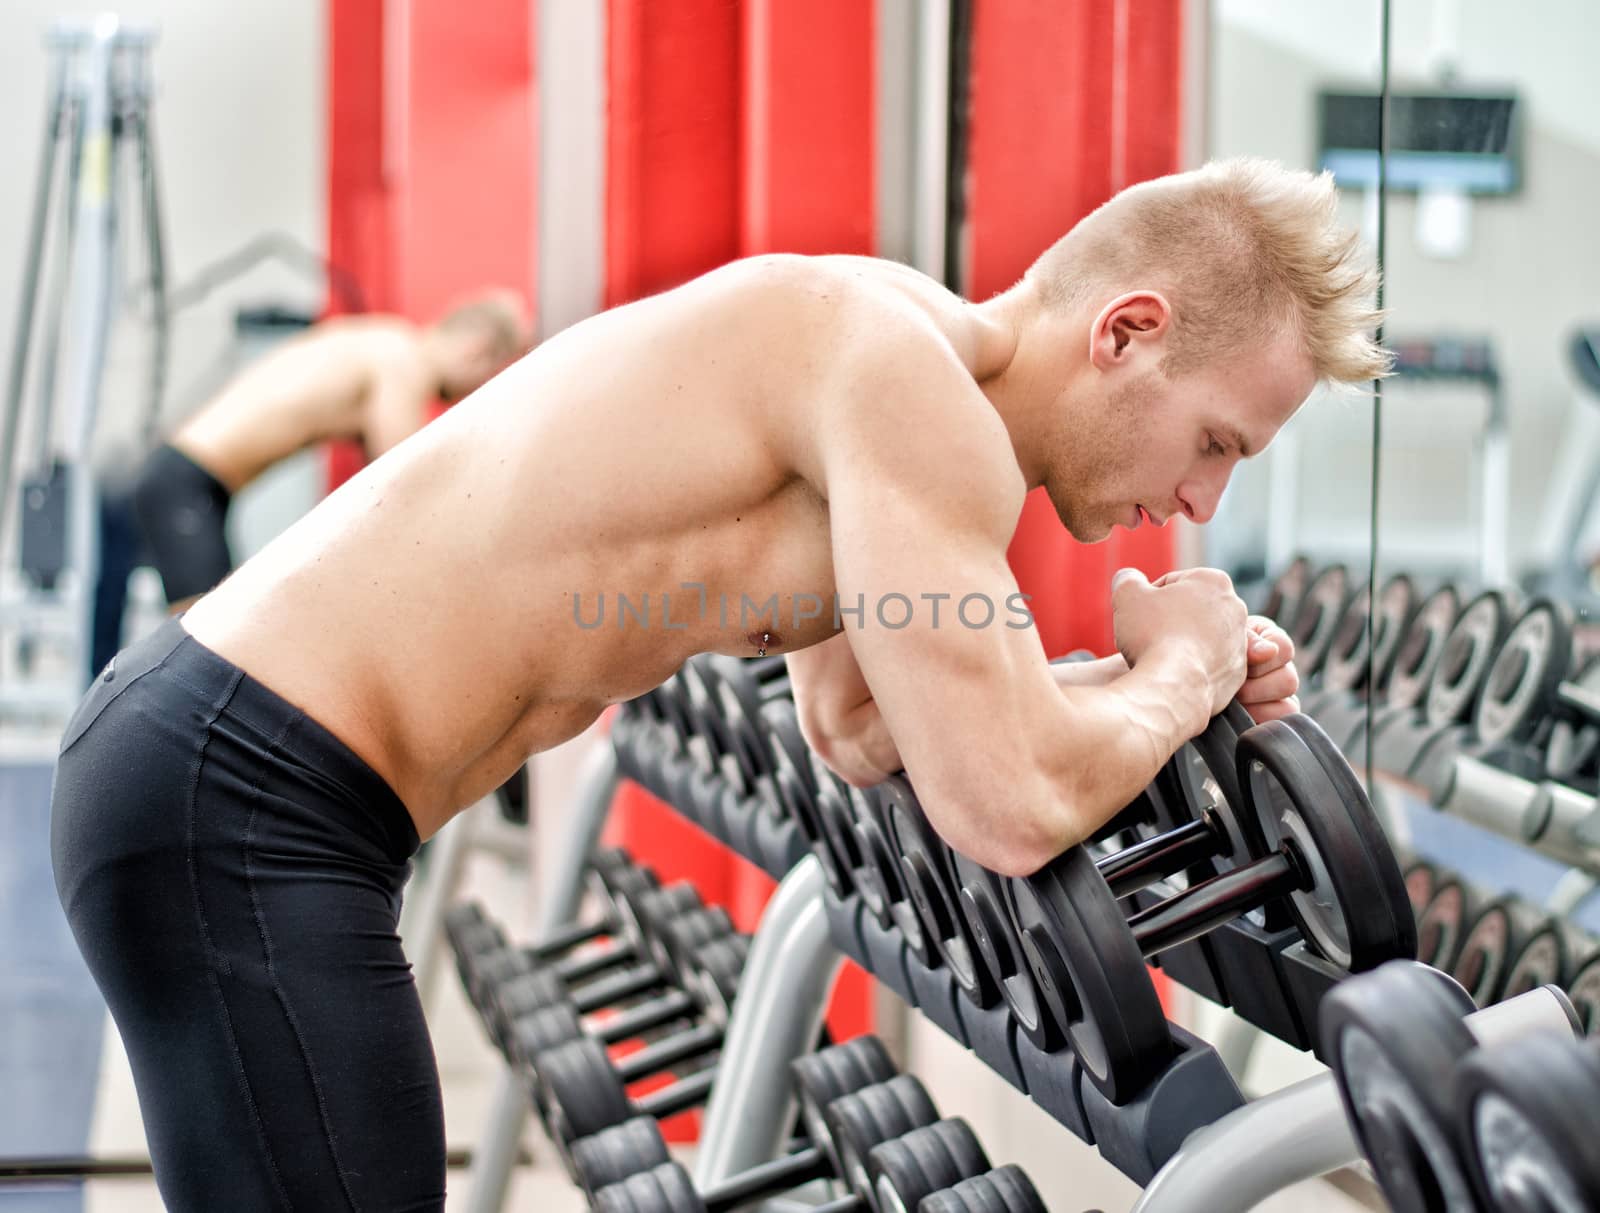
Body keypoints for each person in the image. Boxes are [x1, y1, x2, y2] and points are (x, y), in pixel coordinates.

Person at [52, 158, 1386, 1211]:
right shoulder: (907, 388)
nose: (1204, 496)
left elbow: (862, 725)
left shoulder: (889, 348)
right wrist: (1186, 665)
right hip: (244, 792)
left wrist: (1129, 684)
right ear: (1128, 331)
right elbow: (1010, 801)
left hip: (238, 776)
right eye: (1216, 439)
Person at [129, 290, 529, 611]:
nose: (469, 393)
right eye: (485, 378)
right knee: (200, 648)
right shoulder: (403, 359)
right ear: (477, 350)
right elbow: (409, 478)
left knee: (209, 639)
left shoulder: (379, 340)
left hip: (193, 481)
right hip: (185, 483)